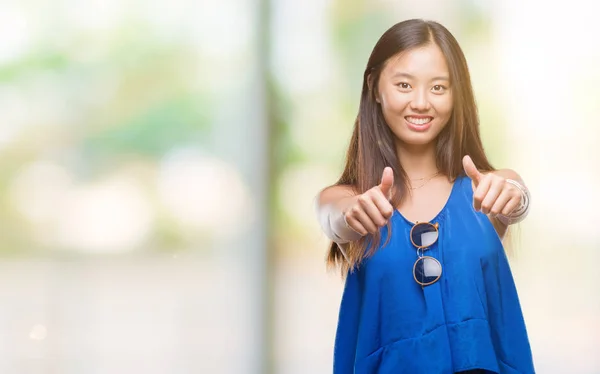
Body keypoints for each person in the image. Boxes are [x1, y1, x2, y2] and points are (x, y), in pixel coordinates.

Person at [315, 19, 535, 374]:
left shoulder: (487, 188)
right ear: (374, 86)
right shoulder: (349, 198)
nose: (420, 102)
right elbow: (333, 216)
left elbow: (517, 195)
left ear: (456, 93)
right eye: (404, 84)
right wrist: (351, 214)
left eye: (438, 87)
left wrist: (514, 197)